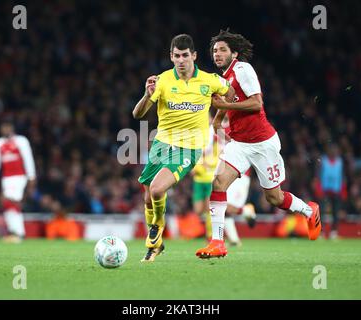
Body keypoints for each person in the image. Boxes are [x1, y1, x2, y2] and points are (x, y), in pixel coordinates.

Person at [196, 29, 321, 259]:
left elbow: (256, 103)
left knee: (274, 198)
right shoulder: (224, 79)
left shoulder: (243, 69)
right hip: (240, 144)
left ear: (234, 53)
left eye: (222, 49)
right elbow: (227, 103)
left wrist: (226, 107)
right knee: (218, 183)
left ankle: (308, 210)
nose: (217, 54)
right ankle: (217, 242)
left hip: (263, 144)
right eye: (214, 50)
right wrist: (217, 120)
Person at [132, 34, 234, 262]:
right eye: (176, 56)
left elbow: (230, 91)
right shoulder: (162, 81)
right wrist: (146, 96)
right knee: (148, 196)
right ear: (171, 57)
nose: (181, 60)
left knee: (158, 189)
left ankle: (156, 228)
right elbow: (137, 114)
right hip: (162, 144)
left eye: (185, 56)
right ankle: (156, 244)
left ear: (194, 56)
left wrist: (219, 117)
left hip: (189, 147)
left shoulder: (209, 81)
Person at [192, 119, 256, 246]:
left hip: (241, 172)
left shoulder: (240, 125)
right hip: (224, 171)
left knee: (223, 206)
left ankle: (246, 211)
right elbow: (206, 148)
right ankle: (234, 240)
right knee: (220, 205)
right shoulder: (215, 129)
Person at [0, 121, 36, 243]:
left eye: (8, 127)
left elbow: (28, 158)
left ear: (12, 128)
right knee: (7, 203)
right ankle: (14, 231)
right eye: (3, 127)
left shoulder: (21, 141)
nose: (6, 129)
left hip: (19, 176)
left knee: (12, 201)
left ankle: (18, 233)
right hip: (6, 178)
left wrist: (32, 176)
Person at [318, 144, 344, 239]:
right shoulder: (323, 160)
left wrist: (343, 190)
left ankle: (334, 232)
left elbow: (342, 176)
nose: (333, 152)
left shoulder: (340, 162)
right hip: (325, 190)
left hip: (336, 190)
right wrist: (318, 188)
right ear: (327, 151)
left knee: (335, 212)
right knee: (322, 212)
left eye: (335, 150)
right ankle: (321, 232)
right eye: (331, 150)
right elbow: (318, 174)